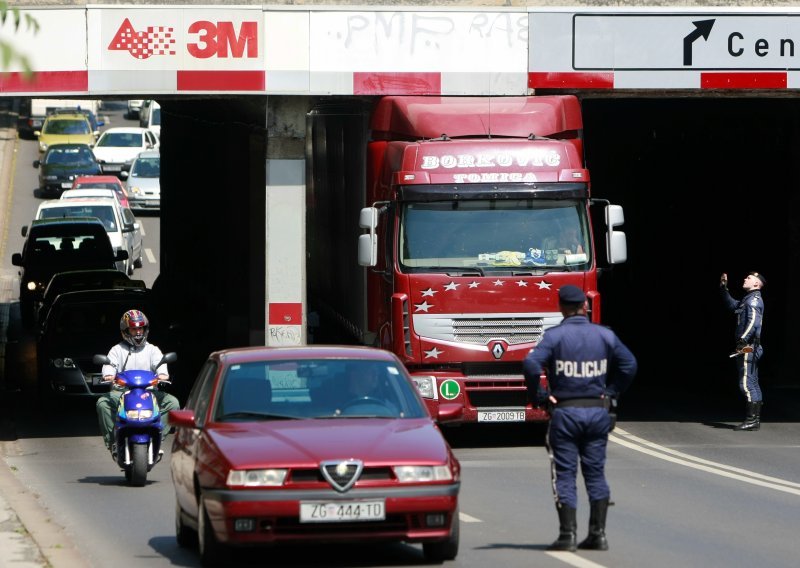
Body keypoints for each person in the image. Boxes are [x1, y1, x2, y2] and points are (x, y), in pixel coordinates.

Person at [522, 285, 637, 552]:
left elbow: (530, 364)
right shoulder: (605, 335)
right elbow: (629, 365)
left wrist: (540, 395)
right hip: (597, 411)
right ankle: (598, 535)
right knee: (595, 473)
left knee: (565, 473)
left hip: (565, 411)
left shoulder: (554, 337)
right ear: (585, 306)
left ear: (560, 307)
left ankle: (567, 535)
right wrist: (612, 392)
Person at [95, 309, 179, 456]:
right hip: (122, 393)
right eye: (134, 329)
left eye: (140, 328)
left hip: (149, 393)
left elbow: (161, 366)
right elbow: (109, 366)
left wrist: (163, 375)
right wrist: (109, 375)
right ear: (126, 331)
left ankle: (156, 438)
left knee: (173, 403)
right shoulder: (116, 350)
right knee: (102, 403)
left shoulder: (153, 350)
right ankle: (113, 442)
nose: (138, 332)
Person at [720, 271, 766, 431]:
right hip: (752, 347)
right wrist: (724, 289)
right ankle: (755, 420)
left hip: (748, 347)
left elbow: (753, 322)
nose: (745, 279)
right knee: (753, 382)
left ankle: (752, 420)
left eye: (749, 278)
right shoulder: (747, 300)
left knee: (746, 383)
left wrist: (742, 341)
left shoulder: (753, 301)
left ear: (756, 284)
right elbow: (733, 306)